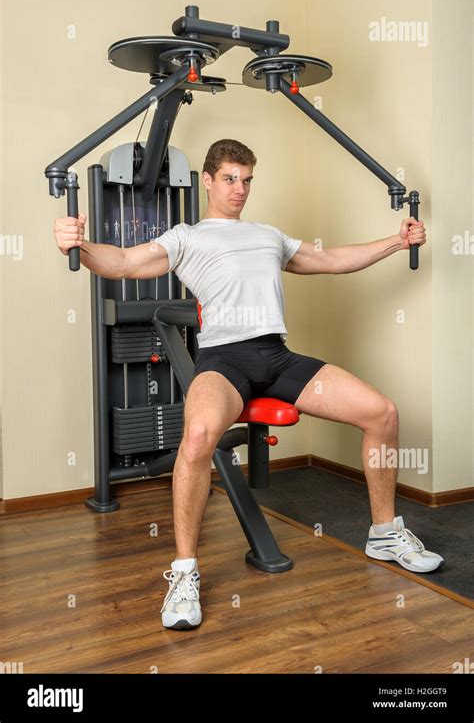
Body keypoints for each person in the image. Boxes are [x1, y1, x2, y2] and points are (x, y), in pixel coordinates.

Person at [53, 138, 443, 632]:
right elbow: (126, 263)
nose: (240, 189)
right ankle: (184, 572)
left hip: (277, 357)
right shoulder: (186, 237)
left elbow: (331, 260)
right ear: (210, 181)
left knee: (381, 412)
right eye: (231, 179)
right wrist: (78, 245)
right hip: (224, 362)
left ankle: (385, 534)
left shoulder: (268, 235)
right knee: (196, 438)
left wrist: (397, 241)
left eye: (248, 180)